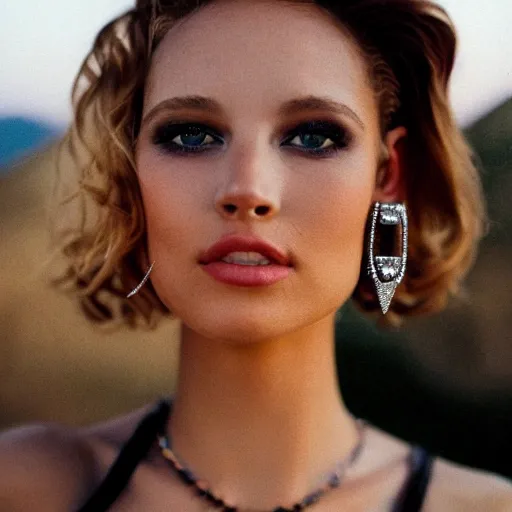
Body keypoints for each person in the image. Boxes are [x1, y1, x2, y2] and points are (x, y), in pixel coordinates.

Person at [1, 0, 511, 510]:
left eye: (314, 135)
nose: (247, 189)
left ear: (387, 174)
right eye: (190, 134)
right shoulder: (26, 488)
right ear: (133, 170)